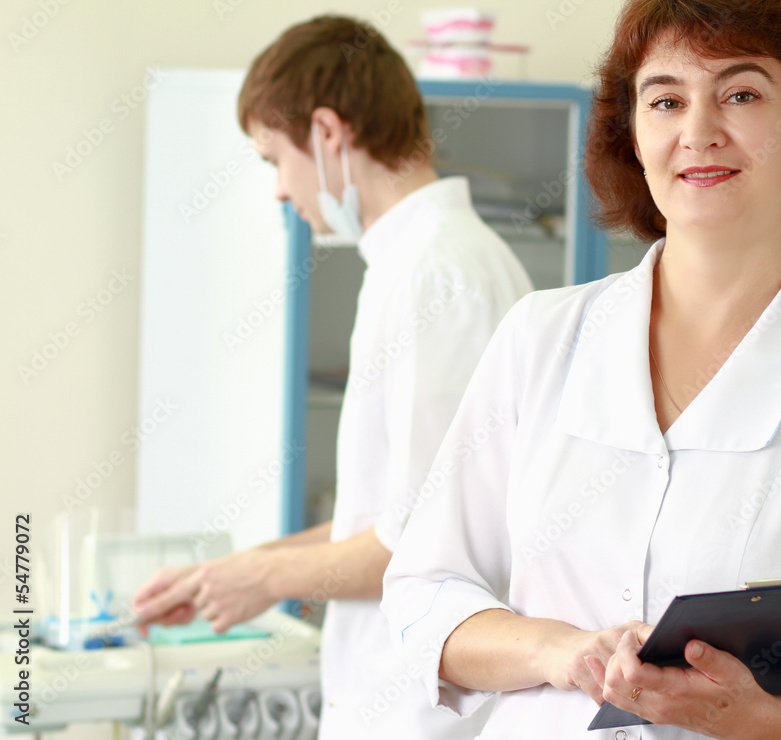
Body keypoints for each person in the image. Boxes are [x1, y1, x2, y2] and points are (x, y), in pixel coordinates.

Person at [381, 0, 781, 738]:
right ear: (633, 135)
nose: (698, 132)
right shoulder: (538, 339)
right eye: (665, 100)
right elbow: (423, 599)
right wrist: (565, 654)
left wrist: (757, 720)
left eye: (742, 94)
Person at [131, 15, 533, 739]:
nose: (280, 191)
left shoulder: (436, 274)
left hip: (422, 712)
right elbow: (386, 516)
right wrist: (241, 567)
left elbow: (423, 544)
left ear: (327, 132)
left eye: (272, 159)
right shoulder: (414, 265)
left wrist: (264, 581)